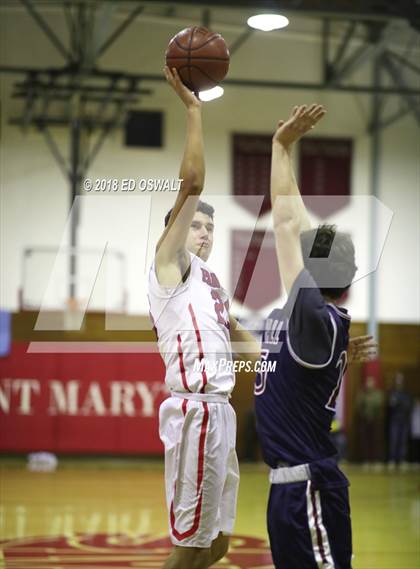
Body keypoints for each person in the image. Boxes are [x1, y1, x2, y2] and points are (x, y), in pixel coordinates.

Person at [254, 104, 376, 569]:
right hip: (289, 487)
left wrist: (280, 148)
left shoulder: (312, 315)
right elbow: (302, 231)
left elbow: (289, 226)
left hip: (310, 485)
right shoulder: (306, 320)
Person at [148, 67, 259, 569]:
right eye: (195, 223)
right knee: (189, 548)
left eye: (210, 227)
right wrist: (194, 111)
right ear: (174, 227)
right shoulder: (170, 266)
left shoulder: (210, 282)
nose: (205, 233)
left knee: (216, 545)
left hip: (222, 414)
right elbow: (191, 180)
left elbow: (245, 343)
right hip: (194, 411)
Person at [356, 376, 385, 468]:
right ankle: (366, 460)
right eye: (368, 382)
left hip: (375, 420)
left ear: (373, 383)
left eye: (371, 382)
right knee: (365, 441)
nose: (369, 384)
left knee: (375, 440)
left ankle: (376, 459)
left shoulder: (378, 394)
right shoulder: (362, 394)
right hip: (364, 420)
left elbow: (380, 406)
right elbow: (358, 406)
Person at [387, 372, 413, 469]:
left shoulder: (406, 393)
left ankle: (401, 460)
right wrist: (399, 403)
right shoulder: (392, 392)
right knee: (394, 440)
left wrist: (399, 403)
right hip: (394, 420)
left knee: (403, 441)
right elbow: (391, 405)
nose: (399, 381)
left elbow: (408, 405)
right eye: (397, 379)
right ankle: (392, 460)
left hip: (404, 420)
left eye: (400, 379)